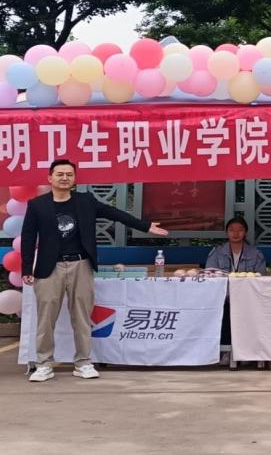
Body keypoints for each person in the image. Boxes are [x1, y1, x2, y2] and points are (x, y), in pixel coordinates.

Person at [21, 159, 168, 383]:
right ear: (50, 178)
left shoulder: (85, 201)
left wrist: (145, 226)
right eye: (60, 174)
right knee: (46, 319)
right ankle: (44, 364)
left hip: (81, 265)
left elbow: (114, 213)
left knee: (82, 317)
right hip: (50, 268)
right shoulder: (37, 205)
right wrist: (26, 267)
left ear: (74, 179)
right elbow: (28, 237)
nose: (64, 178)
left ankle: (83, 362)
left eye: (69, 174)